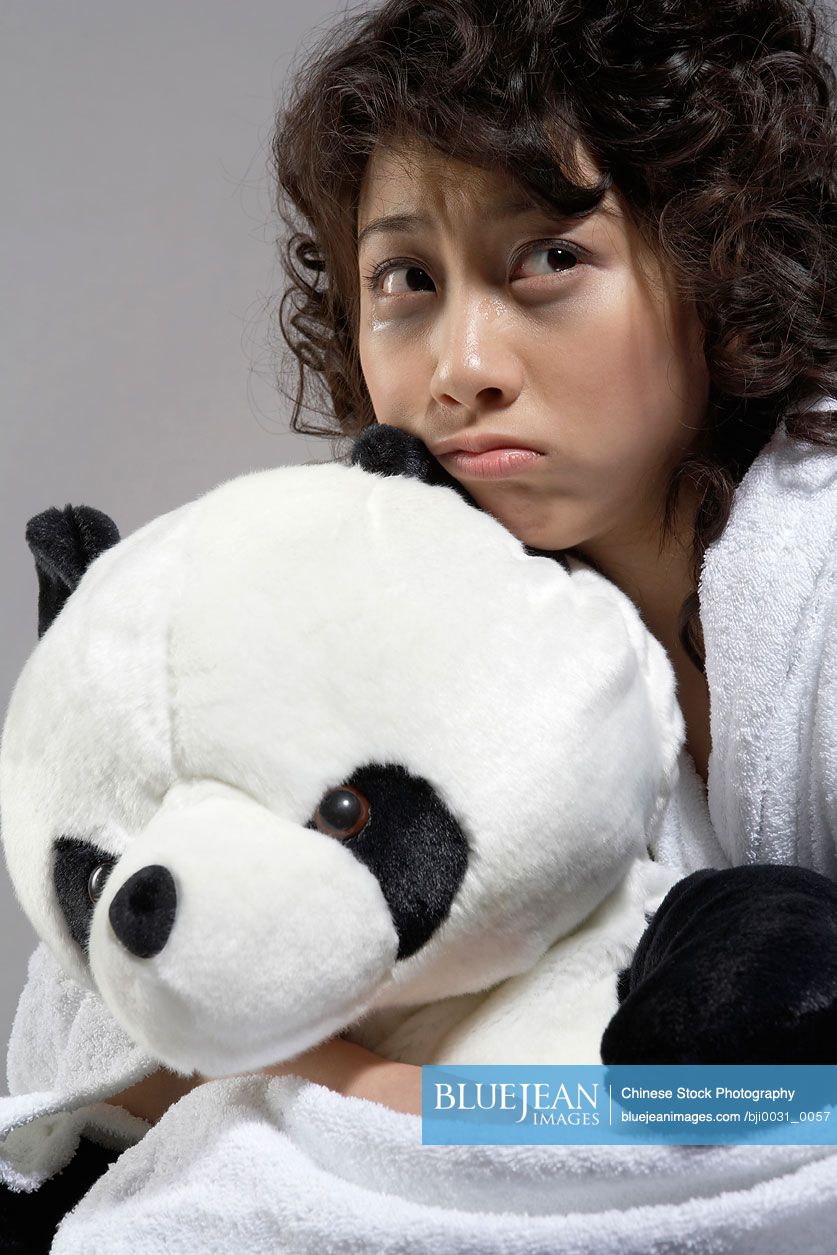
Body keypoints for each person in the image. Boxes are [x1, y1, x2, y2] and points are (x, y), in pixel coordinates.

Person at [29, 0, 837, 1139]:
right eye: (405, 279)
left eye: (552, 257)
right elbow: (122, 1049)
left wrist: (374, 1089)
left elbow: (786, 1096)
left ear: (719, 256)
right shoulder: (421, 610)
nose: (461, 368)